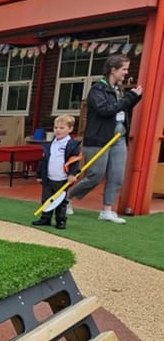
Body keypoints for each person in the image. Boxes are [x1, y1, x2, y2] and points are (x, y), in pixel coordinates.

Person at [66, 54, 143, 223]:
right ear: (113, 70)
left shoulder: (119, 89)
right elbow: (105, 110)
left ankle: (107, 210)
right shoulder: (97, 90)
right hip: (99, 139)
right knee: (95, 175)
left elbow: (122, 109)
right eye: (124, 69)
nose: (126, 72)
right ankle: (67, 198)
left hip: (119, 138)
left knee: (116, 176)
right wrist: (129, 98)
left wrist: (134, 98)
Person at [32, 115, 82, 230]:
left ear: (70, 129)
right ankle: (45, 218)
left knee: (61, 201)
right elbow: (43, 160)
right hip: (49, 177)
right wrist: (39, 175)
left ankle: (61, 220)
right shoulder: (50, 144)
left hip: (62, 178)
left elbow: (74, 161)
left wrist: (72, 174)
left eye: (61, 128)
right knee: (46, 199)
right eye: (56, 128)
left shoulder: (71, 145)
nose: (58, 130)